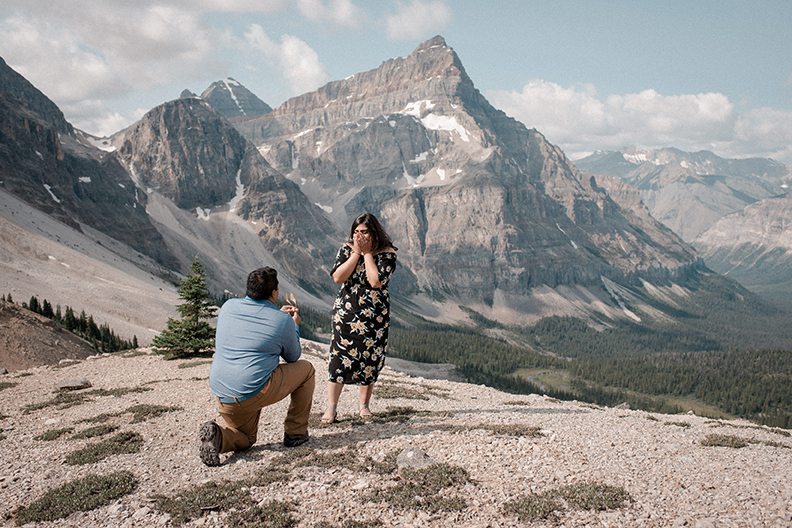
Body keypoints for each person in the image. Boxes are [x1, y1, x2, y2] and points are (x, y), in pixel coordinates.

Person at [199, 267, 315, 467]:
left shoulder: (228, 306)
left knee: (245, 438)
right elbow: (293, 356)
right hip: (254, 391)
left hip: (223, 393)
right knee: (307, 370)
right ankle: (295, 432)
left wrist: (277, 318)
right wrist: (293, 325)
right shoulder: (283, 321)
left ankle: (219, 436)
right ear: (274, 292)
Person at [321, 213, 397, 423]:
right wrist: (356, 253)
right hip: (347, 310)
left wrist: (367, 254)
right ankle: (331, 407)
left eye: (363, 232)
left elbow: (375, 281)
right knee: (339, 356)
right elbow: (338, 277)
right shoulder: (346, 249)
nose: (358, 236)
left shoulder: (387, 254)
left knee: (369, 357)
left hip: (375, 315)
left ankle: (364, 406)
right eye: (356, 232)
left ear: (373, 233)